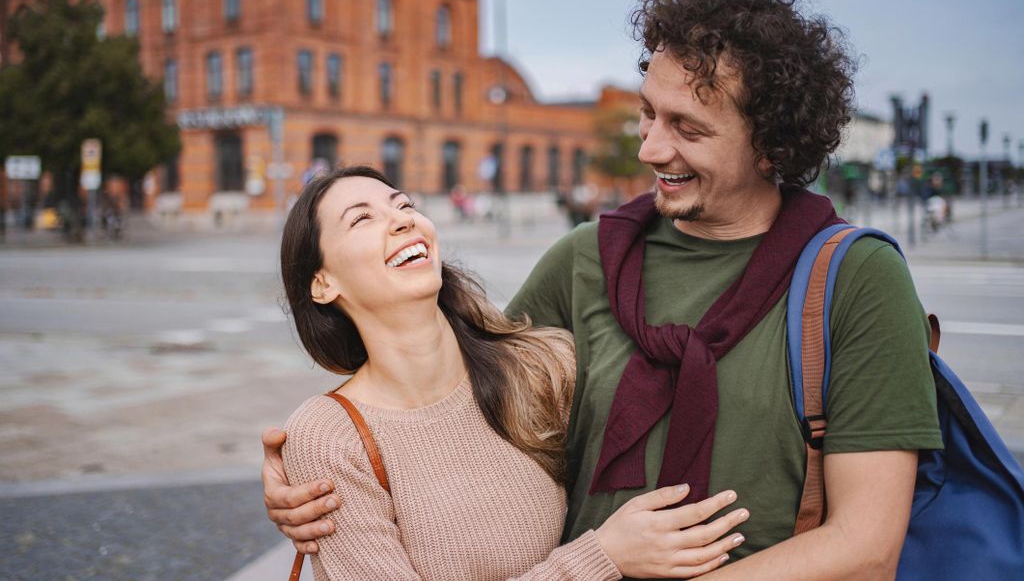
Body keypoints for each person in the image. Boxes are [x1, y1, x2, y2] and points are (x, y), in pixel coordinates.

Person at [264, 0, 943, 579]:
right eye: (649, 112)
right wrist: (320, 476)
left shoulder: (856, 278)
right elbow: (455, 409)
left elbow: (865, 547)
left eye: (688, 127)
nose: (650, 146)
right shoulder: (585, 258)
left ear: (772, 141)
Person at [274, 165, 748, 580]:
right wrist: (603, 556)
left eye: (405, 205)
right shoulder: (329, 438)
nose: (403, 219)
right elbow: (601, 551)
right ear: (322, 283)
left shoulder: (538, 368)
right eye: (362, 218)